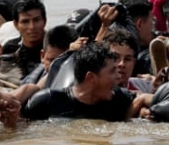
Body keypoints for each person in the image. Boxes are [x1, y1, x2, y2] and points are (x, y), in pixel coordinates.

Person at [21, 42, 149, 121]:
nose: (118, 76)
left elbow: (148, 98)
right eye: (112, 71)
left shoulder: (118, 99)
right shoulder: (47, 101)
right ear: (91, 77)